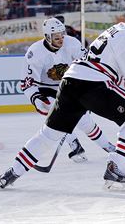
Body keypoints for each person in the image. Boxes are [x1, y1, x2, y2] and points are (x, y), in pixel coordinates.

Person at [0, 3, 125, 191]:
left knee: (49, 134)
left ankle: (11, 173)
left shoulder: (116, 30)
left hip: (70, 82)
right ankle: (117, 169)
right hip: (93, 84)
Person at [21, 17, 115, 163]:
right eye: (56, 36)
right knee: (54, 114)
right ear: (47, 37)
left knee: (84, 121)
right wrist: (36, 99)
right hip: (46, 89)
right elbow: (27, 83)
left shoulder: (72, 44)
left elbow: (87, 66)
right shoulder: (35, 53)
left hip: (69, 85)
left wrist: (87, 91)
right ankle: (74, 144)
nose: (61, 39)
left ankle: (108, 147)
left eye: (62, 34)